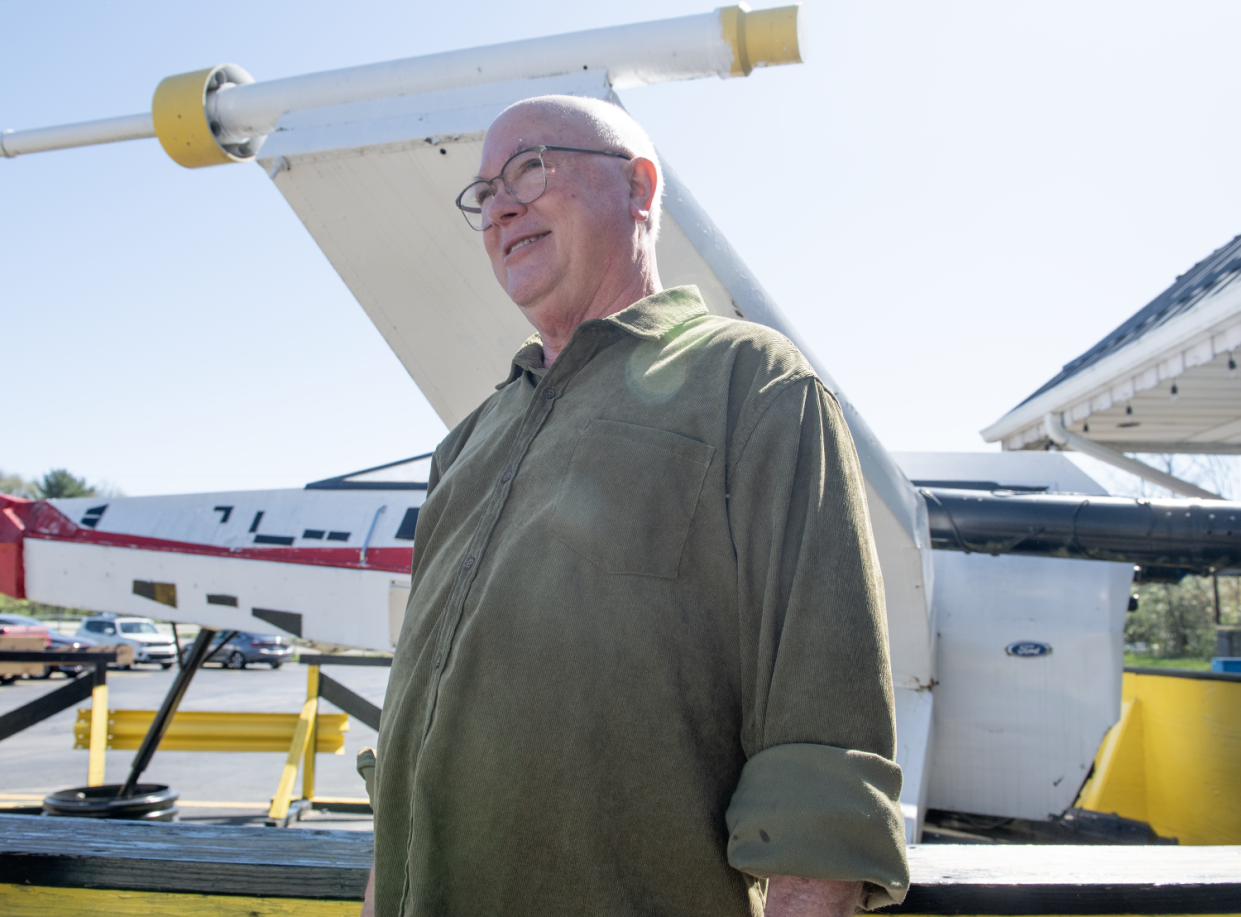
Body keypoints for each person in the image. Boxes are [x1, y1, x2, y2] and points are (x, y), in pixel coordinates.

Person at [363, 94, 908, 917]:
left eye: (530, 169)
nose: (500, 206)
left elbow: (820, 745)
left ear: (640, 189)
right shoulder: (465, 443)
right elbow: (408, 750)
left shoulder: (752, 383)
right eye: (483, 194)